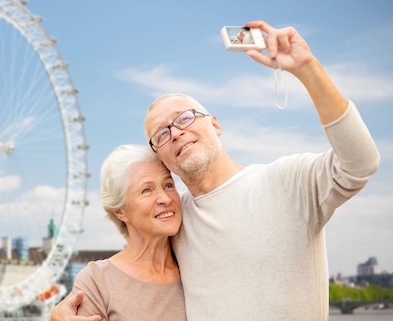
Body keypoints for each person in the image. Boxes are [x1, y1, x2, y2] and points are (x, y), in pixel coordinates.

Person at [51, 20, 380, 321]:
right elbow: (131, 273)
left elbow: (361, 163)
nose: (176, 132)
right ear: (162, 158)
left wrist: (307, 69)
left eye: (184, 118)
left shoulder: (288, 181)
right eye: (162, 134)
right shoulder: (176, 222)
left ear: (216, 124)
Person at [67, 144, 185, 320]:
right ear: (120, 211)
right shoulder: (97, 281)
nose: (166, 199)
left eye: (168, 185)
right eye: (146, 190)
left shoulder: (194, 266)